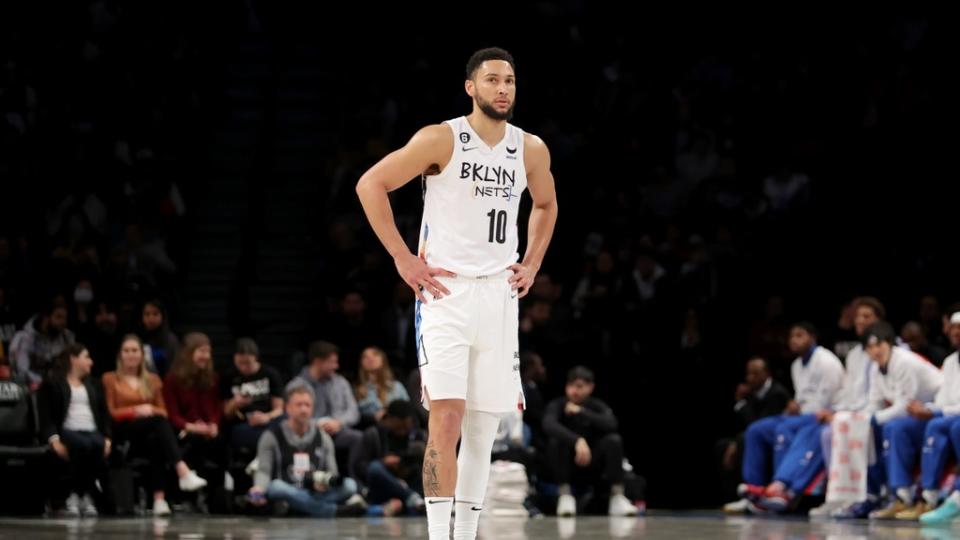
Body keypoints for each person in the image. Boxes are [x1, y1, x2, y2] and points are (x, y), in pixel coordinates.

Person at [355, 46, 558, 540]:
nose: (503, 89)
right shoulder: (441, 138)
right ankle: (436, 534)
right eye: (492, 80)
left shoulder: (530, 148)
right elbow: (371, 185)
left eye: (509, 80)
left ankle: (464, 535)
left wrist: (531, 263)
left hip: (498, 298)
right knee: (446, 419)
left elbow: (546, 205)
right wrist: (404, 259)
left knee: (485, 428)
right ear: (471, 86)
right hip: (446, 294)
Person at [736, 323, 844, 507]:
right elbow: (803, 397)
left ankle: (781, 489)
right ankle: (753, 491)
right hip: (801, 416)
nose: (794, 340)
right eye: (791, 336)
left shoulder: (827, 361)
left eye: (800, 335)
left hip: (822, 415)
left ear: (812, 337)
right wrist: (794, 407)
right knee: (756, 430)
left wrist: (801, 410)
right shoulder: (796, 365)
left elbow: (827, 401)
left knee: (783, 429)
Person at [102, 335, 207, 516]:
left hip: (149, 432)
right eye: (126, 351)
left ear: (142, 354)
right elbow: (111, 412)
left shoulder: (153, 379)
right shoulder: (109, 378)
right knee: (158, 424)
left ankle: (159, 500)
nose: (131, 355)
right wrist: (136, 410)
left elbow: (163, 411)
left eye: (135, 350)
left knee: (156, 439)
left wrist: (150, 408)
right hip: (124, 431)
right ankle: (182, 470)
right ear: (120, 355)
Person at [858, 322, 943, 520]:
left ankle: (906, 495)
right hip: (914, 414)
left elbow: (904, 406)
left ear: (890, 344)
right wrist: (861, 418)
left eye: (879, 345)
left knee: (894, 428)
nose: (875, 351)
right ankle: (879, 493)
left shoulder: (904, 361)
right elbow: (875, 402)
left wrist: (872, 418)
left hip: (934, 410)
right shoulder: (875, 367)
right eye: (870, 347)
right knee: (868, 430)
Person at [246, 385, 367, 517]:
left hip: (314, 491)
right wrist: (258, 488)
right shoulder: (272, 436)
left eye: (307, 405)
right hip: (287, 488)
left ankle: (298, 507)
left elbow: (332, 472)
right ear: (288, 408)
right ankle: (331, 511)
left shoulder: (324, 438)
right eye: (299, 405)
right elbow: (263, 470)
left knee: (350, 485)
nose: (304, 409)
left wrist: (324, 484)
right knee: (275, 487)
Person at [543, 366, 636, 517]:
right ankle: (565, 496)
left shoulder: (596, 405)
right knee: (555, 440)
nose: (574, 390)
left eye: (579, 386)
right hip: (567, 466)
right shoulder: (558, 404)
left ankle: (617, 496)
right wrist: (577, 441)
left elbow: (612, 424)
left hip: (594, 465)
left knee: (614, 440)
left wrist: (582, 412)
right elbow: (548, 424)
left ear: (590, 387)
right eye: (571, 385)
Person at [39, 343, 111, 517]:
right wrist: (54, 439)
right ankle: (76, 494)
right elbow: (46, 416)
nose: (91, 362)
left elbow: (104, 414)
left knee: (96, 443)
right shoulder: (54, 384)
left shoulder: (94, 384)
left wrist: (108, 437)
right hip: (68, 430)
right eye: (86, 357)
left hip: (92, 430)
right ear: (73, 358)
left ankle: (83, 495)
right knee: (84, 445)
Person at [718, 357, 789, 509]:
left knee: (745, 439)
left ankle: (756, 490)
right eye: (749, 374)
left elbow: (758, 425)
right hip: (752, 434)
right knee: (722, 446)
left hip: (775, 437)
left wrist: (741, 403)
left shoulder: (777, 393)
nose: (750, 378)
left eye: (755, 373)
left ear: (767, 374)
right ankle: (735, 494)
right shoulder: (751, 393)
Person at [286, 341, 363, 476]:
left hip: (337, 431)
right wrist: (317, 424)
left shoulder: (341, 382)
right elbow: (290, 416)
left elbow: (353, 411)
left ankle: (355, 484)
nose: (336, 366)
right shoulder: (296, 386)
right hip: (309, 434)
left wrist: (338, 423)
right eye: (332, 362)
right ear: (318, 362)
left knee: (359, 438)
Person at [162, 332, 224, 497]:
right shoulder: (173, 379)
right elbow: (172, 414)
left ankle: (217, 497)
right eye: (201, 351)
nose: (205, 356)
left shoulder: (212, 378)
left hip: (206, 428)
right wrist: (192, 427)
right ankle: (188, 494)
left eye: (207, 352)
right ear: (189, 353)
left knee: (222, 443)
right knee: (194, 443)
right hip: (184, 429)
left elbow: (216, 407)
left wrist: (214, 425)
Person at [920, 311, 960, 523]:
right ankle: (930, 496)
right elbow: (943, 400)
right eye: (953, 328)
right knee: (934, 425)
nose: (956, 332)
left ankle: (958, 498)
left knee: (956, 427)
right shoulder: (951, 361)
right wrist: (928, 408)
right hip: (951, 415)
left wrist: (939, 411)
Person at [355, 399, 427, 515]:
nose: (403, 431)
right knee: (375, 468)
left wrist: (403, 465)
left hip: (410, 482)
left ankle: (404, 503)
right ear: (389, 419)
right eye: (399, 427)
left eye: (406, 427)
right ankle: (409, 498)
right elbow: (360, 467)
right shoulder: (374, 434)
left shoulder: (417, 436)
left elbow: (419, 462)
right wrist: (383, 462)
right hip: (384, 485)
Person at [221, 338, 284, 455]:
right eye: (240, 363)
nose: (244, 367)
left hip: (268, 421)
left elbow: (279, 409)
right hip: (243, 424)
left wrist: (267, 417)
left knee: (283, 423)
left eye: (248, 363)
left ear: (255, 358)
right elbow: (226, 413)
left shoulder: (270, 374)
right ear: (234, 358)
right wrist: (234, 403)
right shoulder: (229, 376)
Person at [10, 298, 75, 388]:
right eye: (58, 317)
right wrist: (45, 383)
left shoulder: (67, 337)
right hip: (31, 389)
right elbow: (22, 370)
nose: (63, 322)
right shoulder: (24, 338)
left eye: (65, 318)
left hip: (60, 389)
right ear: (46, 318)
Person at [354, 346, 410, 429]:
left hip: (400, 428)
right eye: (365, 357)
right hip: (373, 429)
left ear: (383, 359)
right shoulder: (359, 391)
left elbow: (407, 409)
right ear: (361, 363)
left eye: (375, 354)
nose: (370, 358)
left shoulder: (397, 386)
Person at [139, 299, 179, 376]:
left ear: (162, 316)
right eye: (147, 314)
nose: (151, 318)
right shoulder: (137, 338)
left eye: (155, 314)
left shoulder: (170, 340)